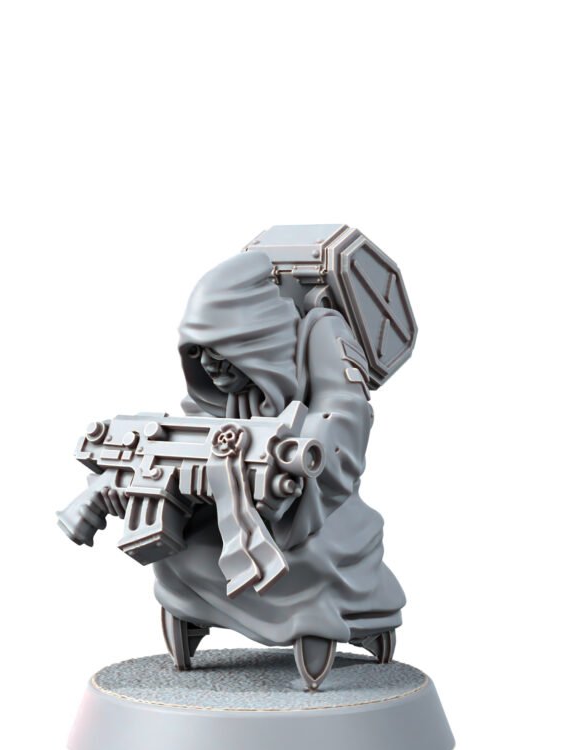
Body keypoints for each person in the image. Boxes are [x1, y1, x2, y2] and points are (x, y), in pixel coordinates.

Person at [153, 249, 406, 689]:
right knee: (178, 543)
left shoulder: (322, 333)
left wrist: (298, 462)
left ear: (254, 341)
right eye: (199, 352)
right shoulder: (225, 382)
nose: (209, 365)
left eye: (221, 351)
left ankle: (319, 628)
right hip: (231, 492)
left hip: (307, 499)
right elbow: (200, 418)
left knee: (304, 560)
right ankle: (189, 614)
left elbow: (343, 411)